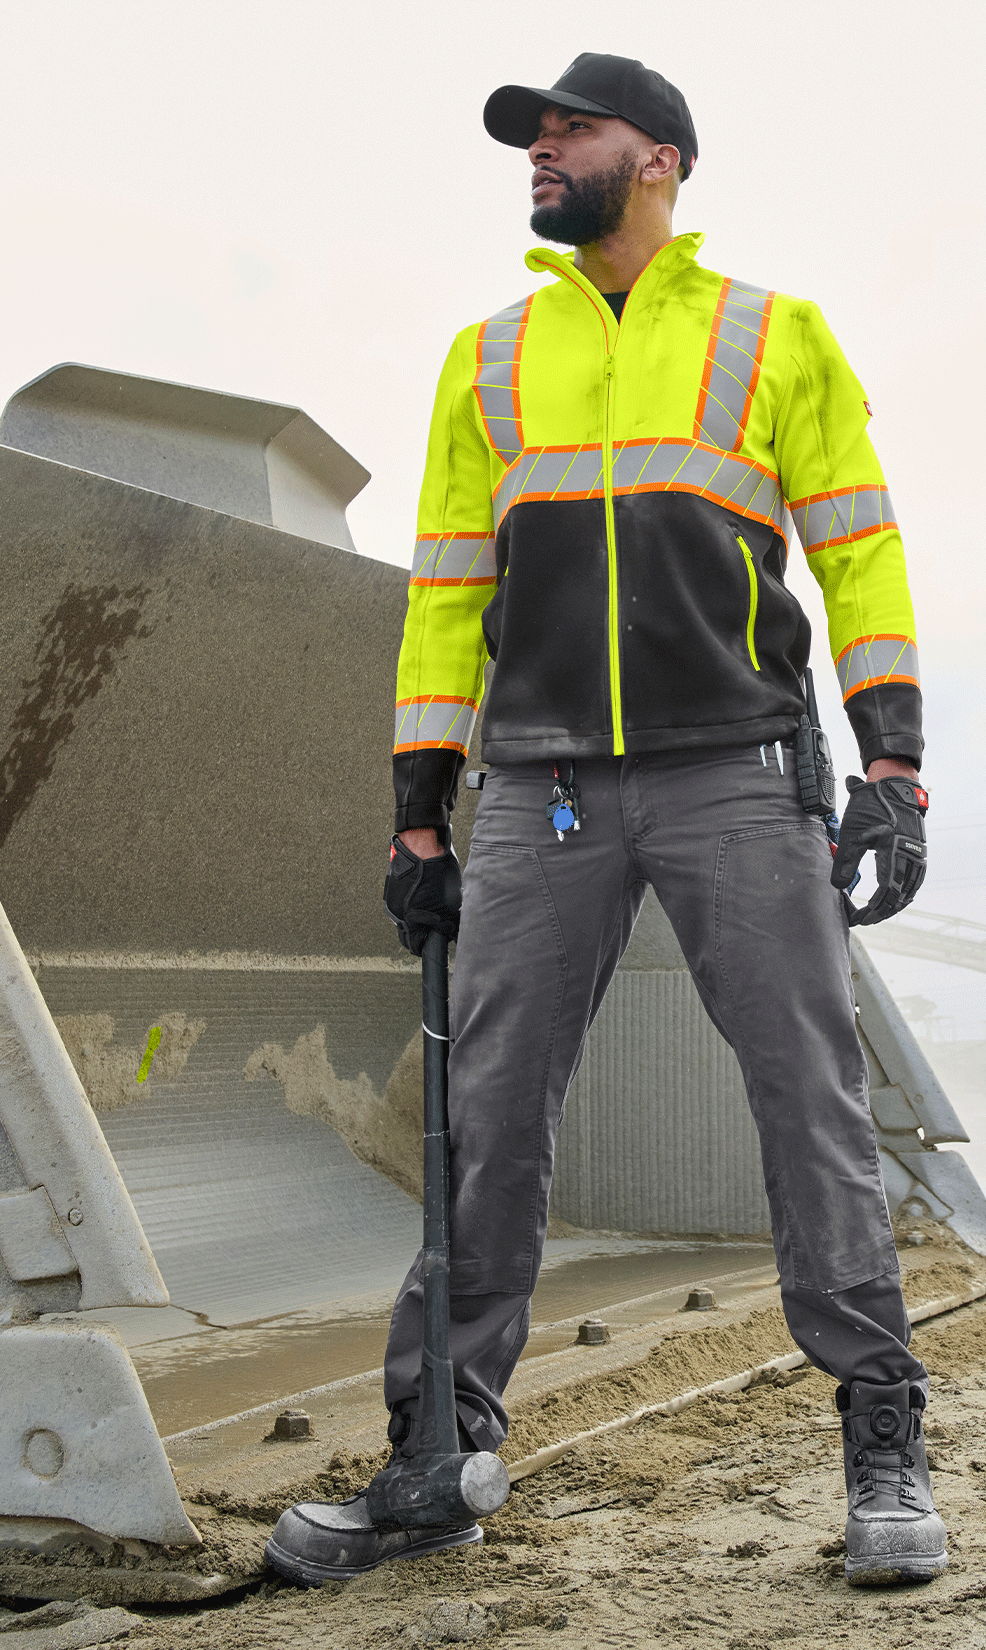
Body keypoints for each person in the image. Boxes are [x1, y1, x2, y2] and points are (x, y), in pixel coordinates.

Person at [268, 51, 942, 1589]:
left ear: (659, 159)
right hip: (541, 788)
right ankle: (435, 1451)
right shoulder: (487, 356)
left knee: (809, 1104)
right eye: (532, 135)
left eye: (568, 129)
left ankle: (882, 1434)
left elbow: (858, 553)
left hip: (736, 773)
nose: (540, 150)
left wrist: (892, 765)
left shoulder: (776, 336)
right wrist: (419, 815)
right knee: (487, 1116)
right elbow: (447, 592)